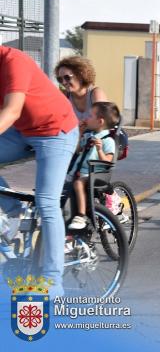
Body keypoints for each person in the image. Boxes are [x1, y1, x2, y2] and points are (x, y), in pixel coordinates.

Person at [0, 46, 79, 297]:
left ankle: (52, 281)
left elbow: (11, 111)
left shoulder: (14, 61)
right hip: (23, 131)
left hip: (56, 131)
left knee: (47, 203)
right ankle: (14, 211)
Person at [67, 102, 120, 230]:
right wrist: (79, 133)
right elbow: (78, 150)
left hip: (95, 174)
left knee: (78, 183)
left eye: (90, 116)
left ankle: (81, 215)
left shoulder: (108, 141)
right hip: (81, 171)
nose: (86, 118)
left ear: (100, 121)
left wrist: (100, 150)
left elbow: (108, 162)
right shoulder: (88, 136)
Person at [55, 56, 108, 132]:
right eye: (60, 79)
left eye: (67, 77)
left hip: (97, 140)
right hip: (77, 140)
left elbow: (103, 124)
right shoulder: (64, 96)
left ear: (80, 75)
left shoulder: (96, 93)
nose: (63, 82)